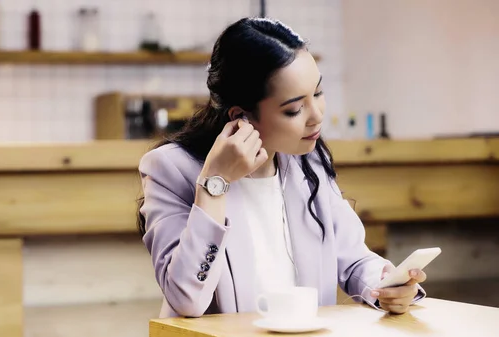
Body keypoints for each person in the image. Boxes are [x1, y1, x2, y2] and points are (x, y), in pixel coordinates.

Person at [136, 17, 426, 318]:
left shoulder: (307, 161)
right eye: (294, 109)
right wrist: (214, 182)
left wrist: (386, 285)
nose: (316, 116)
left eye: (318, 93)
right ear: (241, 116)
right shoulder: (171, 169)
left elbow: (353, 260)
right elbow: (186, 299)